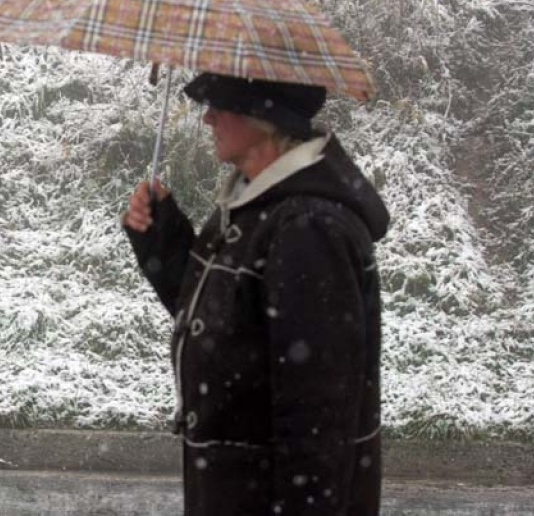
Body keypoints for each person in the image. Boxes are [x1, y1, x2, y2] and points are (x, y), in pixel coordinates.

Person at [122, 72, 389, 516]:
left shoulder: (307, 228)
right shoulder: (256, 205)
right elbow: (222, 327)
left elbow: (317, 421)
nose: (207, 118)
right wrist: (160, 236)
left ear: (262, 115)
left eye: (219, 105)